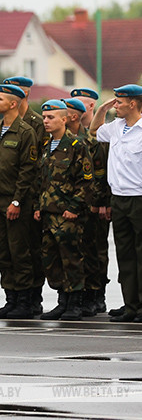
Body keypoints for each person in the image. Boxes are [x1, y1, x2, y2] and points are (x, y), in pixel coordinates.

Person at [0, 84, 39, 319]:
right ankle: (10, 299)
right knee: (1, 252)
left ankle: (24, 301)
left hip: (14, 203)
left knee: (19, 251)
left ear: (13, 104)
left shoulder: (25, 133)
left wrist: (17, 201)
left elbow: (28, 170)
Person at [35, 100, 92, 320]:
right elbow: (42, 180)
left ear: (65, 119)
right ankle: (62, 299)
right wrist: (39, 207)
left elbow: (86, 181)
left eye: (51, 117)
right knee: (51, 258)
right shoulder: (46, 146)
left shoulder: (77, 146)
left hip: (67, 214)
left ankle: (75, 302)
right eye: (44, 117)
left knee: (72, 257)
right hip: (49, 212)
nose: (46, 121)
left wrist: (74, 207)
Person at [90, 84, 142, 322]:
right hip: (118, 198)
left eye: (119, 102)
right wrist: (102, 108)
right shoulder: (116, 127)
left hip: (139, 198)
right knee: (125, 255)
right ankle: (132, 307)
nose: (115, 105)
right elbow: (93, 130)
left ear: (133, 103)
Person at [4, 76, 47, 314]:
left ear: (24, 95)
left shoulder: (37, 123)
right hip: (7, 196)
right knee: (10, 250)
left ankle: (33, 298)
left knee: (30, 248)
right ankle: (14, 299)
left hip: (29, 196)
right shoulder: (4, 125)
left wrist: (36, 200)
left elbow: (38, 164)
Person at [65, 94, 110, 315]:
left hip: (93, 204)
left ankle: (97, 295)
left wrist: (101, 202)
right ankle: (79, 296)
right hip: (74, 206)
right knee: (77, 251)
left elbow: (100, 174)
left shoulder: (95, 137)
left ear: (90, 105)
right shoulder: (63, 137)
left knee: (96, 251)